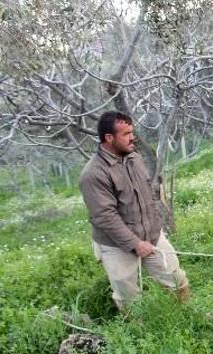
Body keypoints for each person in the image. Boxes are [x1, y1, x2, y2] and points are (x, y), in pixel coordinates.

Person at [79, 111, 190, 311]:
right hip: (115, 246)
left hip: (152, 236)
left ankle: (186, 316)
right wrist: (135, 244)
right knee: (128, 298)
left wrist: (154, 229)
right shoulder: (93, 174)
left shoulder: (134, 158)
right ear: (109, 138)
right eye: (126, 134)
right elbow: (105, 217)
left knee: (176, 279)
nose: (133, 137)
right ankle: (138, 335)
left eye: (132, 132)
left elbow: (147, 195)